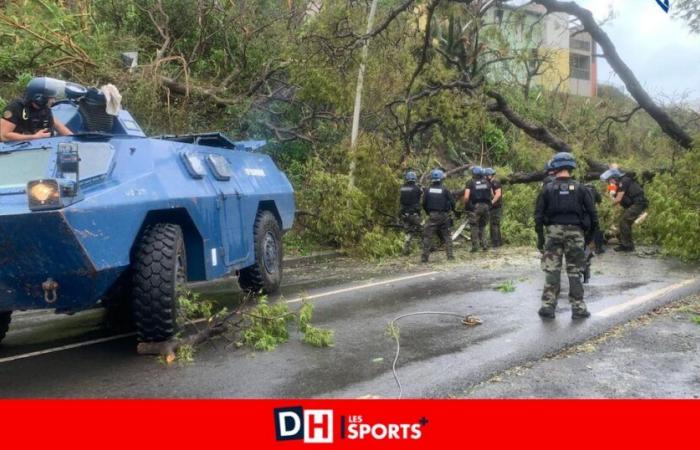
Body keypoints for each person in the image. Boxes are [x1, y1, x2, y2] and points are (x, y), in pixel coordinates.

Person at [535, 152, 598, 319]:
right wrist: (590, 237)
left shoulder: (547, 188)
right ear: (571, 167)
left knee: (552, 270)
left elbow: (538, 215)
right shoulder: (581, 188)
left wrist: (540, 237)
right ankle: (578, 308)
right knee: (575, 271)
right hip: (576, 233)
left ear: (554, 167)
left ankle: (548, 307)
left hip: (553, 232)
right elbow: (593, 215)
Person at [1, 77, 72, 141]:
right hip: (17, 150)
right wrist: (34, 137)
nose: (54, 101)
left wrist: (72, 139)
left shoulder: (44, 108)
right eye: (51, 98)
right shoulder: (16, 107)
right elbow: (4, 135)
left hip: (41, 147)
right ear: (39, 98)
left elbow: (58, 125)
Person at [600, 168, 647, 252]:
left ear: (614, 178)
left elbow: (618, 199)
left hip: (638, 203)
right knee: (624, 222)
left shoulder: (624, 181)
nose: (609, 183)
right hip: (634, 204)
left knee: (624, 221)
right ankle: (627, 244)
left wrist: (607, 207)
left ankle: (627, 246)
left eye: (609, 181)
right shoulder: (619, 184)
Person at [421, 169, 455, 263]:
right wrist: (451, 210)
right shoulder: (445, 190)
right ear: (441, 179)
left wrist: (429, 212)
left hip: (432, 215)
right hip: (444, 216)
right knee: (447, 236)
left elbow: (423, 203)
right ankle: (450, 256)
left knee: (427, 236)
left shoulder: (428, 190)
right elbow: (452, 202)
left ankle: (424, 258)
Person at [464, 166, 492, 252]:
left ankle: (475, 247)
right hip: (486, 207)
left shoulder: (470, 182)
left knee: (474, 226)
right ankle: (485, 245)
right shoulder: (487, 182)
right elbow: (492, 195)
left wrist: (468, 205)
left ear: (473, 174)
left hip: (475, 207)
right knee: (483, 226)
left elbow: (466, 197)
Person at [399, 170, 423, 255]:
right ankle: (429, 247)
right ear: (415, 178)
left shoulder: (402, 188)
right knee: (423, 230)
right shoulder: (417, 188)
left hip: (405, 214)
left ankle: (405, 250)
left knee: (408, 232)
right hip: (414, 214)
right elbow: (420, 193)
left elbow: (401, 200)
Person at [483, 167, 503, 248]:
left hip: (496, 207)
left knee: (494, 224)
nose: (484, 177)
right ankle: (498, 242)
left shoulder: (496, 182)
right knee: (494, 224)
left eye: (486, 176)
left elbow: (498, 195)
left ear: (489, 175)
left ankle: (496, 243)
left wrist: (491, 202)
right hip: (492, 207)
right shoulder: (489, 183)